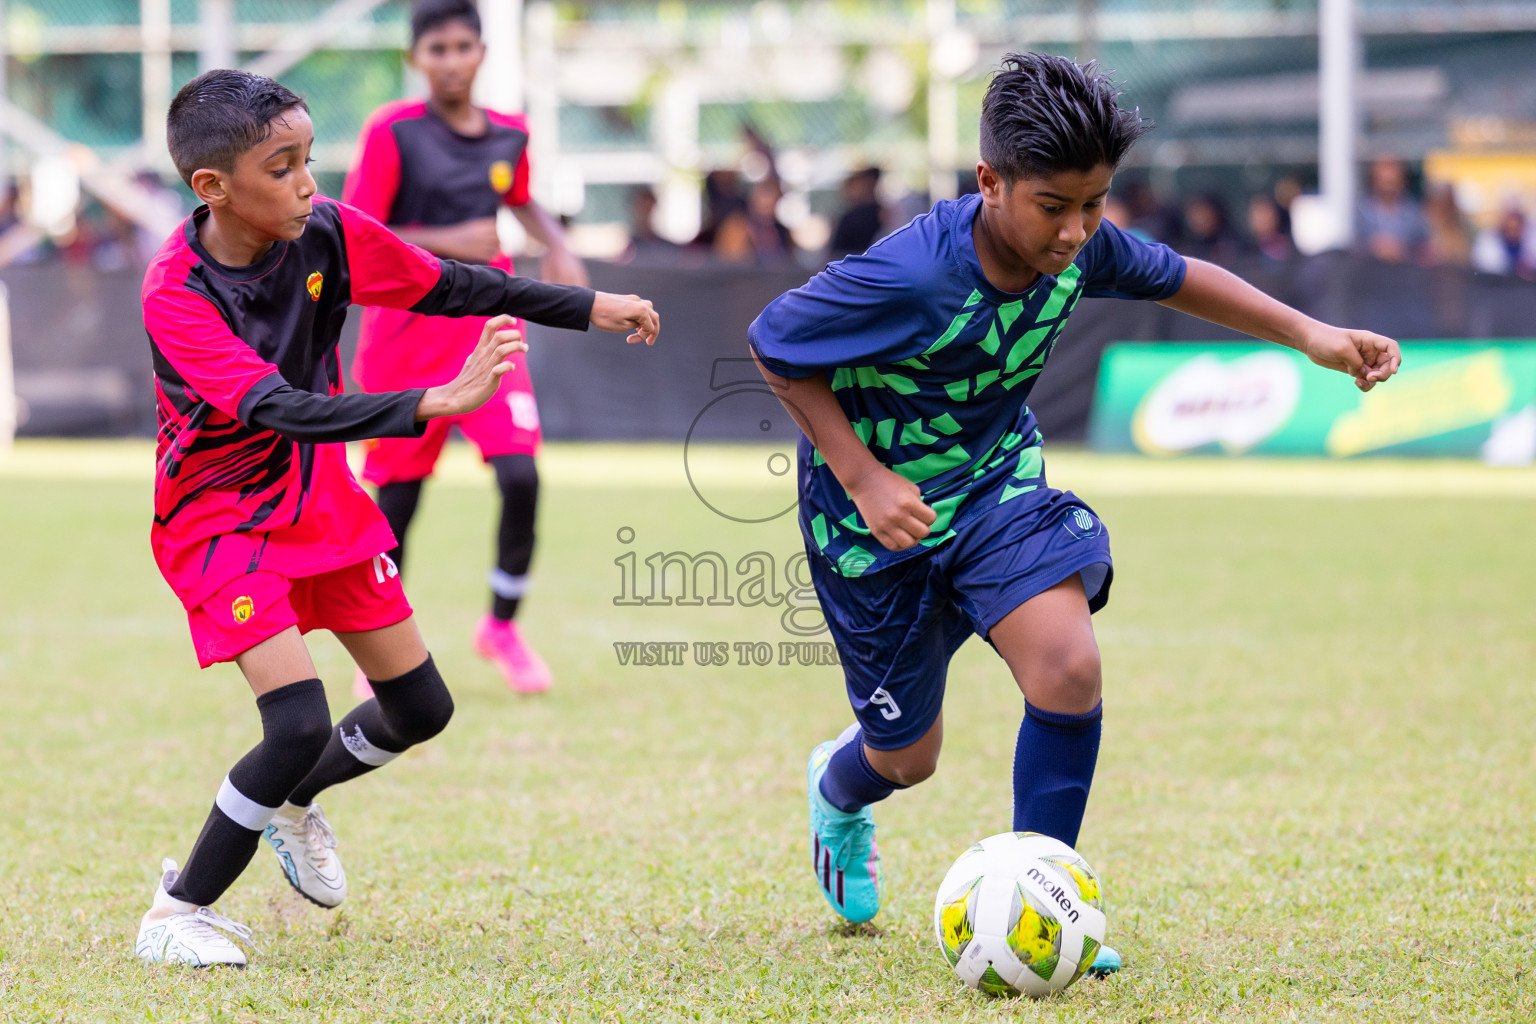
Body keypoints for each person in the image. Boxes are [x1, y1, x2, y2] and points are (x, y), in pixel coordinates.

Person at [749, 53, 1398, 973]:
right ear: (990, 183)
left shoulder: (1081, 242)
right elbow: (775, 342)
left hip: (995, 488)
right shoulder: (911, 275)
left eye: (1094, 204)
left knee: (1067, 666)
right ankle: (836, 786)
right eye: (1054, 206)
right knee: (908, 756)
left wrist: (1312, 335)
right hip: (870, 526)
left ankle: (1045, 894)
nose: (1076, 232)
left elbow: (1178, 276)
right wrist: (861, 477)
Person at [134, 69, 657, 967]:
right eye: (282, 166)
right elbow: (278, 407)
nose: (307, 183)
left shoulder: (326, 231)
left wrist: (585, 306)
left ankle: (291, 808)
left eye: (309, 160)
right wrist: (431, 402)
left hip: (316, 500)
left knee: (421, 705)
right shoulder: (175, 292)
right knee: (296, 723)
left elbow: (448, 284)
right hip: (219, 521)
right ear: (212, 187)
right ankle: (175, 912)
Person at [344, 0, 589, 697]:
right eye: (437, 50)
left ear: (482, 52)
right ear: (415, 59)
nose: (451, 61)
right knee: (398, 500)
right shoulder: (392, 131)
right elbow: (359, 227)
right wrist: (452, 243)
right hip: (403, 341)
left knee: (521, 475)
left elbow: (519, 196)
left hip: (487, 328)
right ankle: (379, 652)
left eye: (463, 47)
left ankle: (502, 629)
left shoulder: (510, 135)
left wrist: (560, 246)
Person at [1355, 156, 1429, 264]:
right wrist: (1374, 247)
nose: (1388, 188)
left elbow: (1424, 247)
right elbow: (1354, 245)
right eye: (1384, 182)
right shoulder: (1361, 211)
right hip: (1370, 273)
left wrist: (1402, 250)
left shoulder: (1414, 212)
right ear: (1374, 181)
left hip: (1405, 272)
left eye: (1392, 182)